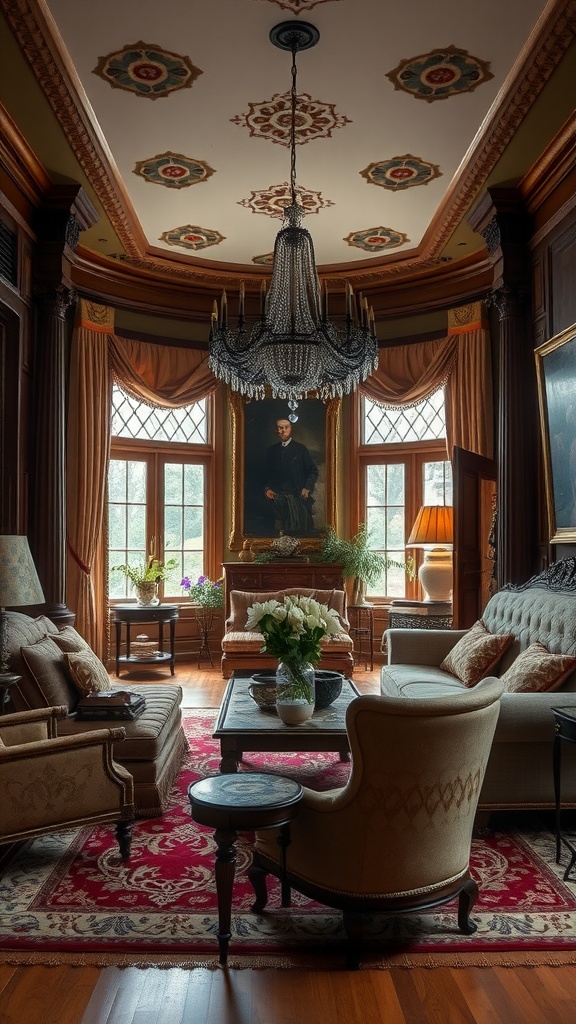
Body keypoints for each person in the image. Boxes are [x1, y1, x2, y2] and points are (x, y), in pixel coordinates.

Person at [263, 418, 319, 536]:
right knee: (274, 529)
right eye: (280, 428)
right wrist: (267, 488)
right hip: (277, 496)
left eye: (286, 427)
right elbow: (265, 474)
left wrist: (307, 488)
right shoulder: (272, 451)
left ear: (291, 429)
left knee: (300, 531)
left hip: (297, 495)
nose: (283, 431)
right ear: (276, 430)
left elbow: (313, 471)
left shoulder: (300, 449)